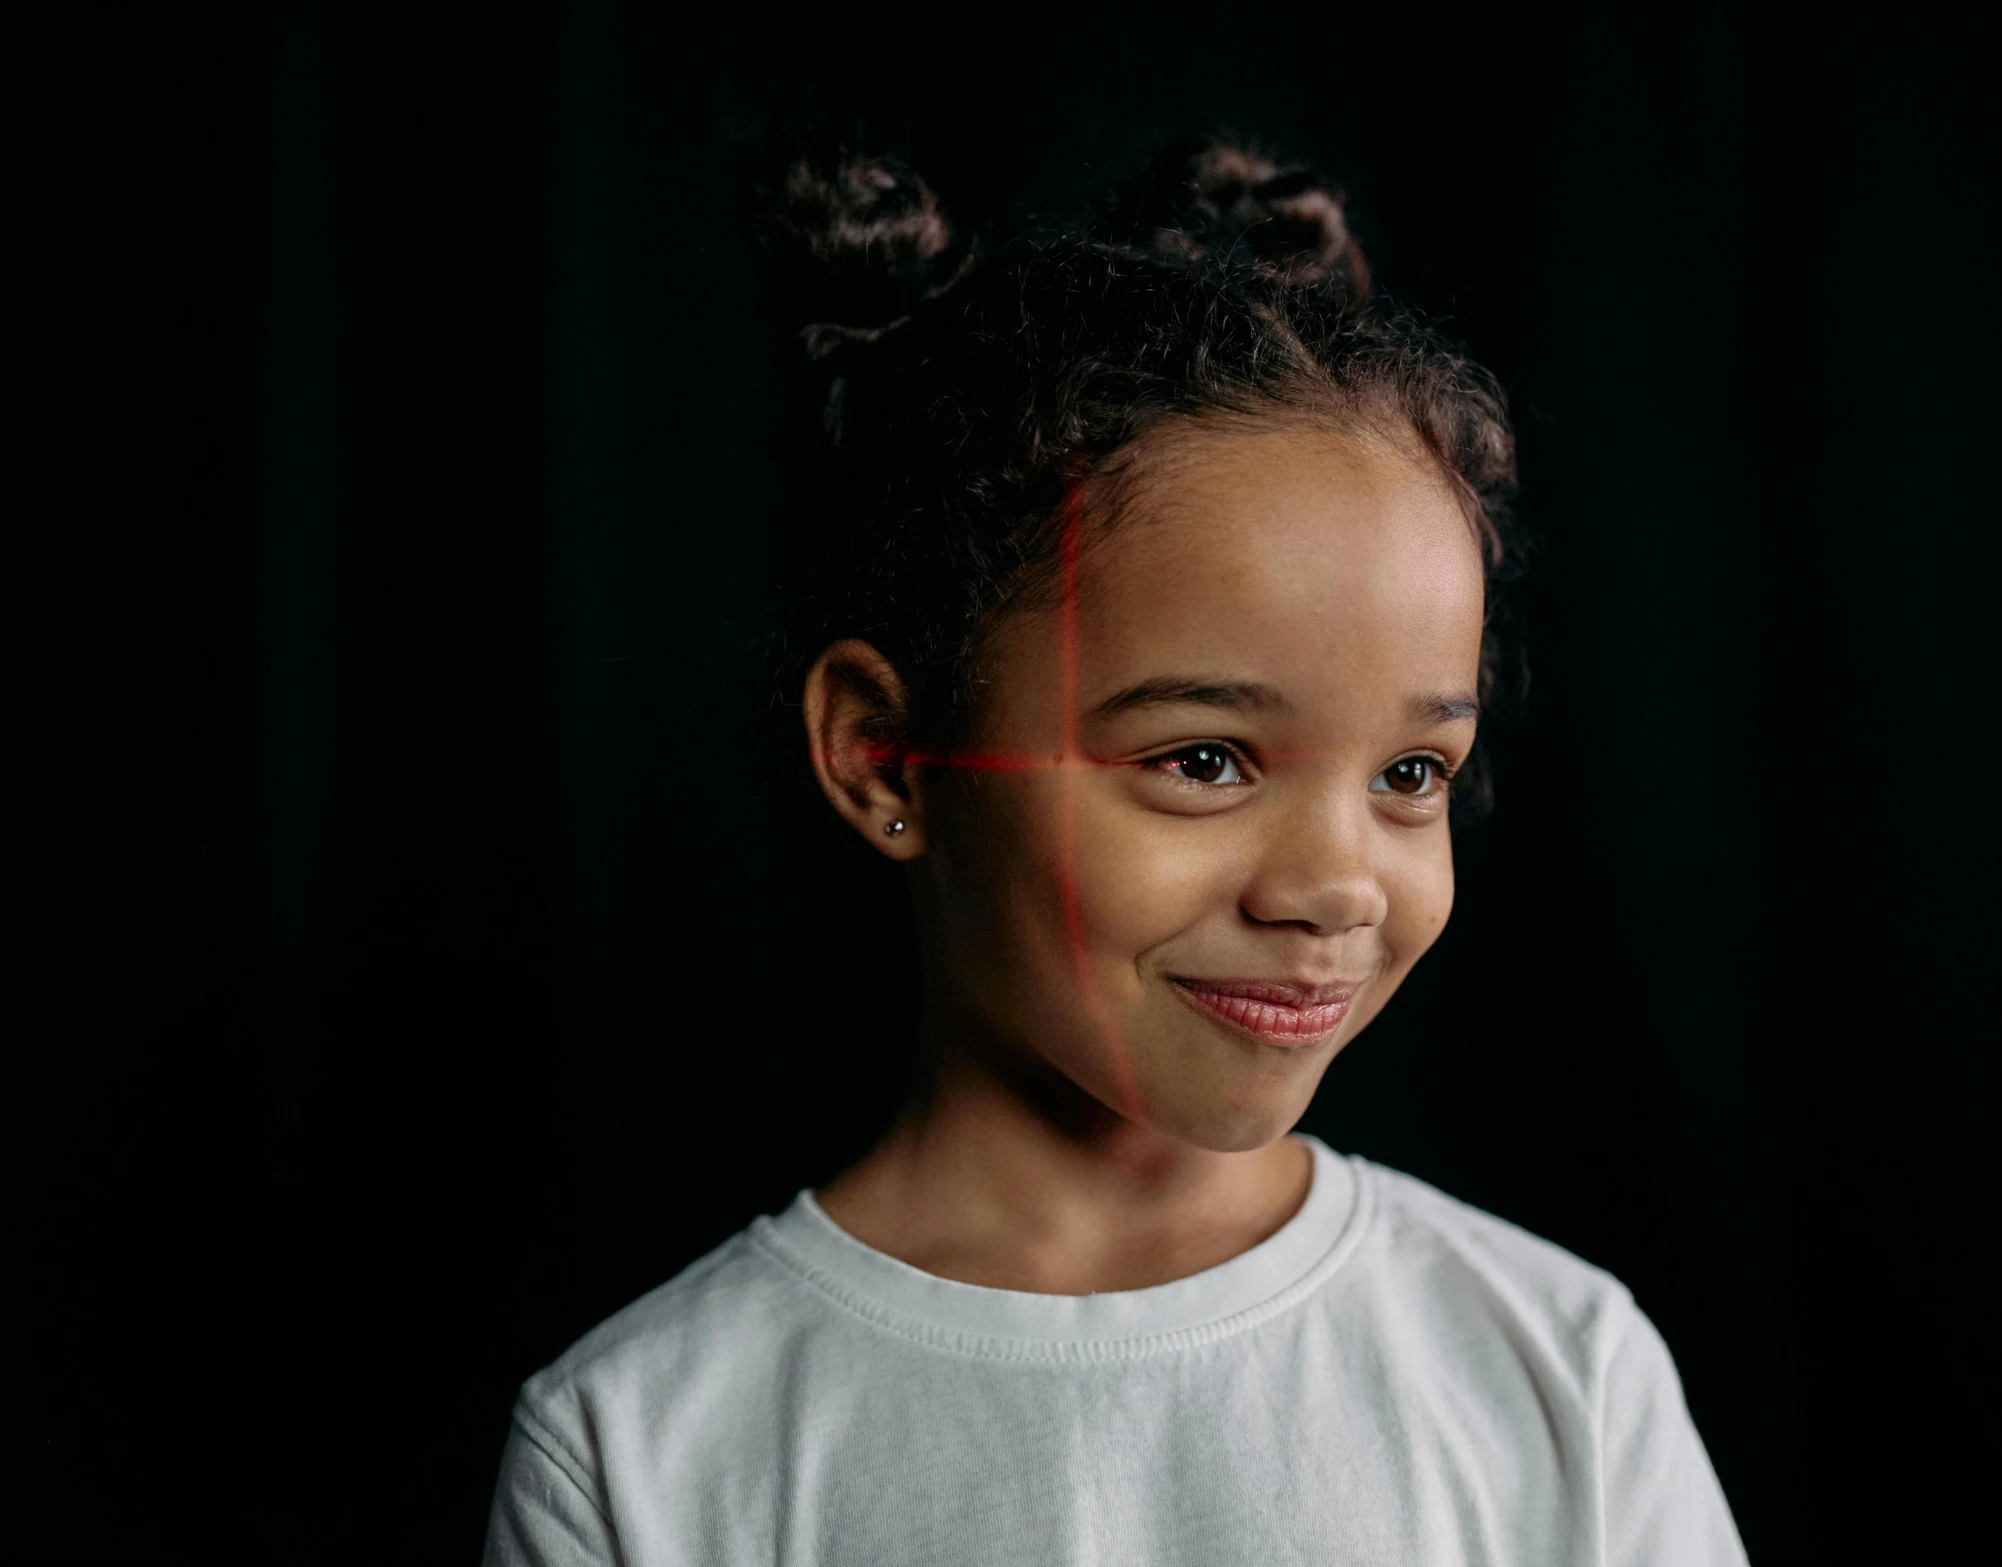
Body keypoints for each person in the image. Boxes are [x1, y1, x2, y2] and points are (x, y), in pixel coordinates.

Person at [482, 135, 1748, 1566]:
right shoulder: (642, 1448)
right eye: (1202, 759)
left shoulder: (1556, 1367)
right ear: (887, 757)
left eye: (1410, 772)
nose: (1335, 884)